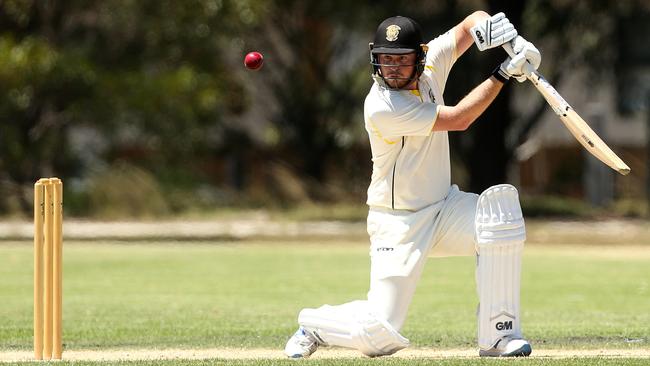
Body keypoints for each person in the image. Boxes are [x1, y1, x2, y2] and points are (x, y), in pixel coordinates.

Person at [284, 11, 541, 358]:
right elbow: (460, 119)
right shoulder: (381, 106)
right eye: (384, 59)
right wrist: (505, 72)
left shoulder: (432, 62)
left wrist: (506, 38)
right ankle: (316, 323)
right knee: (380, 336)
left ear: (419, 57)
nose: (392, 68)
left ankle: (499, 335)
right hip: (398, 224)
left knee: (500, 215)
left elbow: (471, 22)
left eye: (401, 60)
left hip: (444, 208)